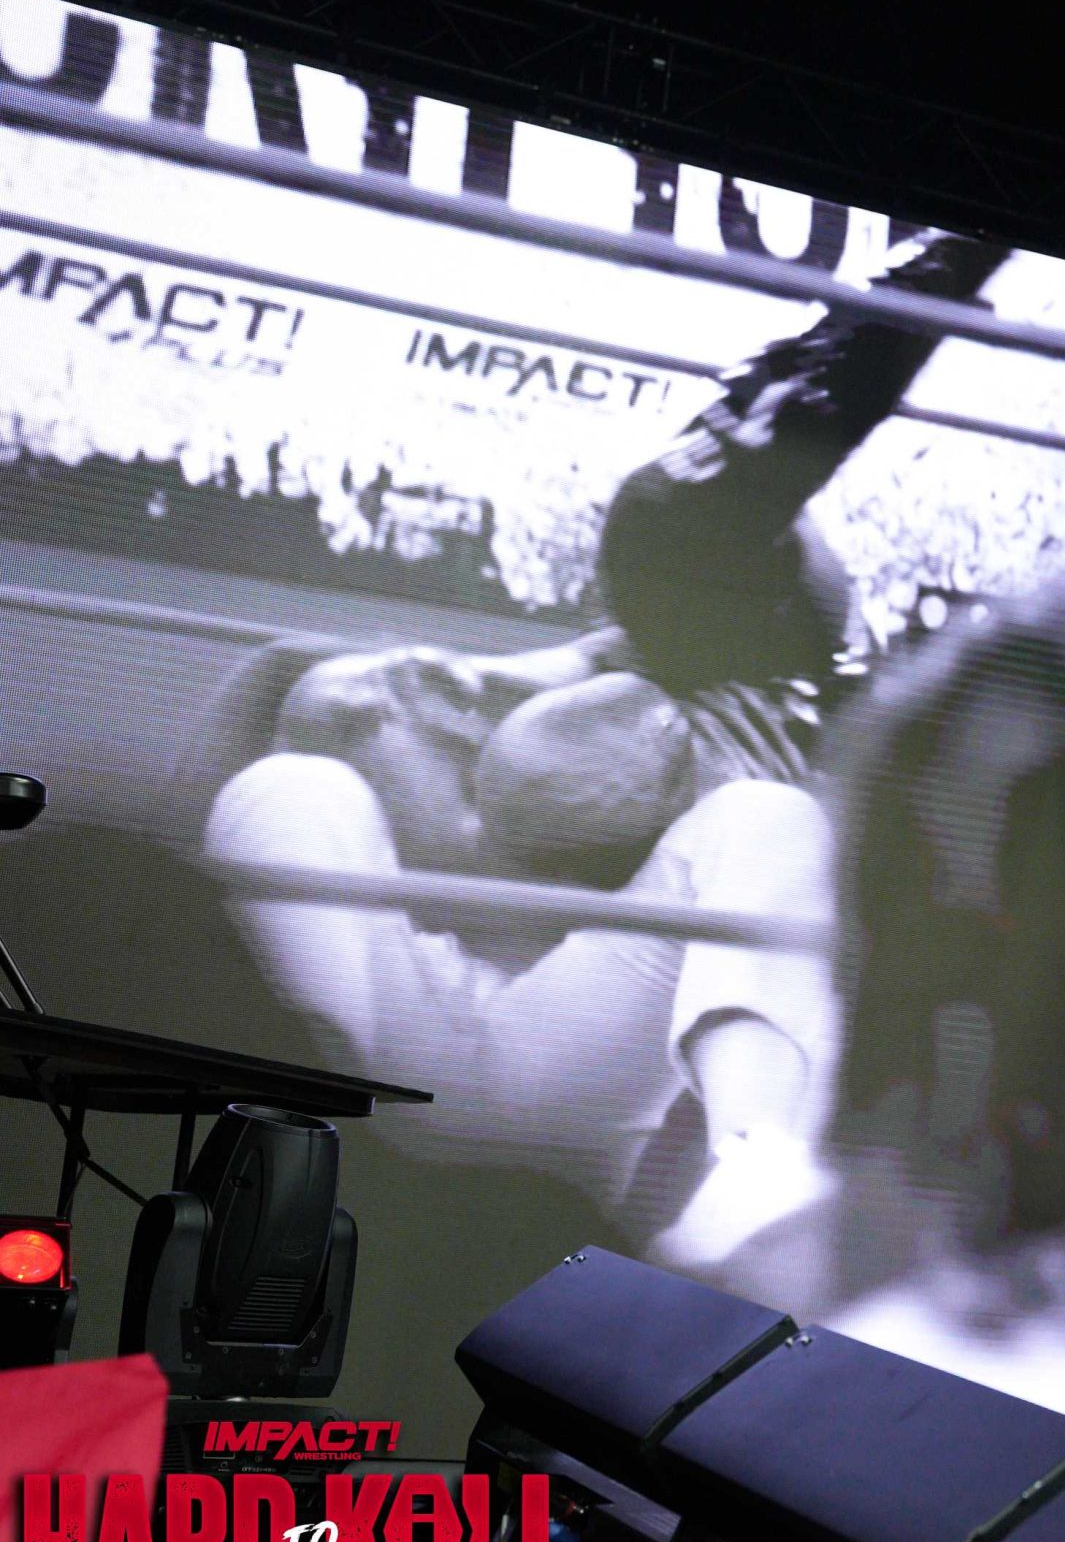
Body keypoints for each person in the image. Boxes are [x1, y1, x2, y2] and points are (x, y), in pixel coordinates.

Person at [197, 237, 1003, 1278]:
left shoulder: (748, 738)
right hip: (411, 1040)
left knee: (771, 819)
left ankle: (759, 1176)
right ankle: (304, 1133)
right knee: (286, 786)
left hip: (581, 1065)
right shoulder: (391, 718)